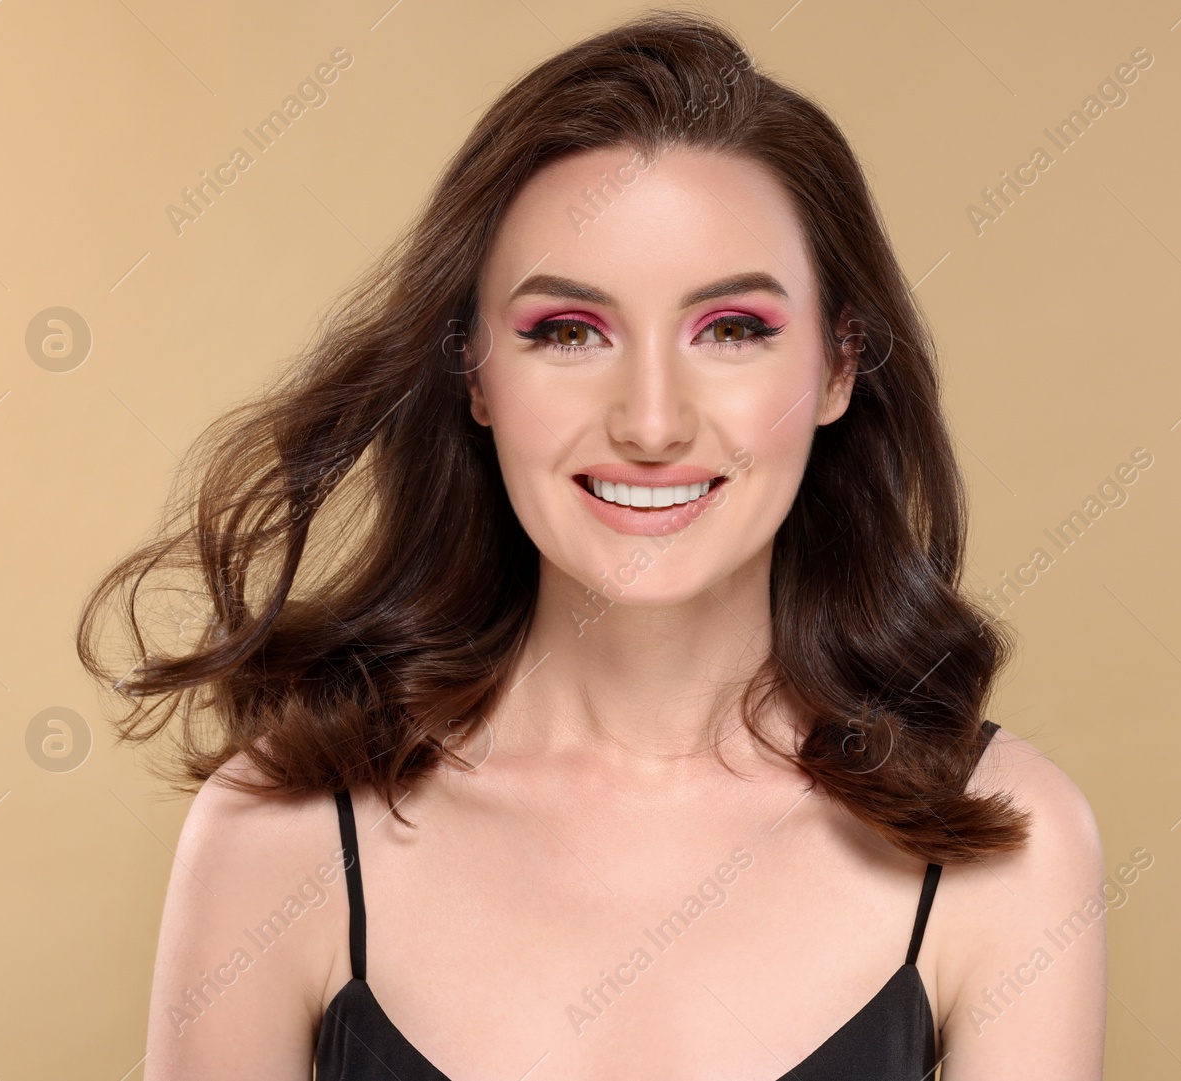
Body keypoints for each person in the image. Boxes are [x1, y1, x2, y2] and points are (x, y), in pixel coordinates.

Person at [77, 9, 1106, 1079]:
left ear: (840, 366)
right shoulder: (277, 837)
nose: (651, 423)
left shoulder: (1003, 840)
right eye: (568, 332)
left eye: (732, 330)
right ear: (473, 370)